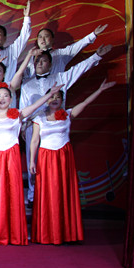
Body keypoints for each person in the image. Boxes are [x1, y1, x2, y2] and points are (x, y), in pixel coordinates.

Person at [20, 43, 112, 203]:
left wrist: (96, 56)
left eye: (43, 61)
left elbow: (79, 69)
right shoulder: (27, 84)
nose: (39, 64)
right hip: (33, 124)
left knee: (55, 162)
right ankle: (34, 195)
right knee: (32, 158)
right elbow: (23, 106)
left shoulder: (60, 78)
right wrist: (22, 126)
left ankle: (55, 194)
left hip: (55, 123)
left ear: (50, 64)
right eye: (37, 61)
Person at [0, 83, 63, 245]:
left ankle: (13, 232)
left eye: (5, 96)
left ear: (11, 99)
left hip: (11, 157)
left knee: (12, 193)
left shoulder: (17, 115)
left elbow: (35, 106)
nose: (2, 99)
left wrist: (50, 95)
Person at [29, 80, 116, 244]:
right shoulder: (39, 119)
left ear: (62, 100)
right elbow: (34, 141)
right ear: (46, 99)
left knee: (64, 192)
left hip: (63, 157)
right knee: (48, 193)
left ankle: (66, 232)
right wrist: (32, 161)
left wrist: (100, 89)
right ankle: (47, 232)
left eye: (58, 97)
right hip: (46, 158)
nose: (54, 100)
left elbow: (85, 102)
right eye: (52, 97)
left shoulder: (68, 115)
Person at [25, 24, 108, 78]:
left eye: (46, 36)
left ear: (53, 39)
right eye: (40, 37)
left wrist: (94, 34)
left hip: (56, 94)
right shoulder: (29, 57)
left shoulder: (61, 54)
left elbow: (77, 46)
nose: (43, 39)